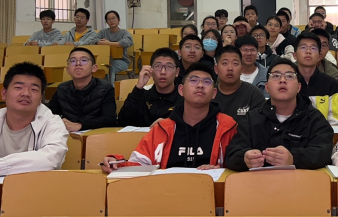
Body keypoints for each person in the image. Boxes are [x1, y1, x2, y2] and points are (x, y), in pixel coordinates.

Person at [102, 63, 238, 172]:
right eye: (193, 80)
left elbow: (239, 163)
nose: (200, 85)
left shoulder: (228, 127)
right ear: (181, 90)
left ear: (214, 93)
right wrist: (117, 162)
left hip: (211, 192)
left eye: (207, 82)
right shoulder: (162, 128)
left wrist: (222, 170)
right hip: (166, 192)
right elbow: (140, 165)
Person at [225, 58, 334, 171]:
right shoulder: (251, 119)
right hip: (258, 181)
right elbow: (231, 154)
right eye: (276, 76)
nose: (282, 80)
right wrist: (245, 158)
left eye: (289, 76)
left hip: (300, 181)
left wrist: (293, 159)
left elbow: (324, 152)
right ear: (267, 87)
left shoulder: (314, 118)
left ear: (298, 87)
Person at [48, 47, 117, 131]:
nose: (78, 64)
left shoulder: (105, 88)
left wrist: (80, 125)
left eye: (84, 60)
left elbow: (110, 120)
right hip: (68, 135)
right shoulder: (62, 89)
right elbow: (50, 116)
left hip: (96, 134)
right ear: (67, 70)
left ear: (94, 68)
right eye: (73, 61)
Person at [117, 48, 182, 128]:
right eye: (158, 66)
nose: (163, 72)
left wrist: (169, 123)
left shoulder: (184, 98)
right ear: (151, 70)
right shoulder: (142, 95)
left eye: (169, 67)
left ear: (177, 72)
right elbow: (122, 122)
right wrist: (138, 88)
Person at [295, 32, 338, 126]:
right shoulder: (287, 82)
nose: (308, 51)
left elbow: (336, 121)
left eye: (313, 48)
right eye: (303, 47)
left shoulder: (331, 84)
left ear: (319, 56)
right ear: (295, 55)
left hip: (323, 133)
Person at [213, 46, 266, 123]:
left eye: (235, 63)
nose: (230, 68)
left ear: (241, 69)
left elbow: (257, 126)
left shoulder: (254, 94)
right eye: (225, 63)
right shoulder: (209, 94)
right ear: (216, 69)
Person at [96, 10, 134, 82]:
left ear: (118, 20)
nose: (111, 21)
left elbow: (128, 42)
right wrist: (99, 42)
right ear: (106, 22)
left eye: (113, 18)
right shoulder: (103, 32)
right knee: (100, 67)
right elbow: (93, 39)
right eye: (109, 19)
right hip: (105, 59)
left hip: (122, 61)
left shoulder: (124, 33)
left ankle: (110, 88)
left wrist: (109, 43)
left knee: (110, 68)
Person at [313, 28, 338, 97]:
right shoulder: (294, 69)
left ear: (328, 49)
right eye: (315, 45)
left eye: (323, 45)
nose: (320, 49)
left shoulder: (332, 71)